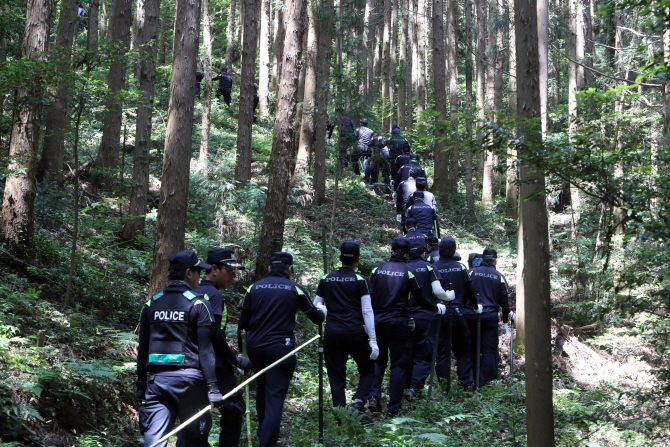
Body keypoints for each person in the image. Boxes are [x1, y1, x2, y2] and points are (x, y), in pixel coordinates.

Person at [238, 252, 326, 447]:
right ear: (290, 268)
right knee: (275, 397)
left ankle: (263, 435)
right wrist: (323, 310)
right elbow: (317, 319)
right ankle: (267, 443)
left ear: (269, 268)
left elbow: (243, 324)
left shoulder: (254, 288)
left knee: (263, 388)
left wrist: (240, 353)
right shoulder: (296, 289)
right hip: (280, 349)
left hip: (255, 348)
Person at [136, 251, 221, 447]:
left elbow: (143, 349)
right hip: (190, 384)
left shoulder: (151, 304)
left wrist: (141, 384)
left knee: (155, 441)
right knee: (195, 441)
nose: (200, 276)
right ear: (188, 273)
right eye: (198, 271)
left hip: (158, 383)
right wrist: (213, 389)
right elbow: (206, 351)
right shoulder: (199, 304)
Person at [175, 249, 249, 447]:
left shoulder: (188, 292)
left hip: (190, 363)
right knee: (234, 408)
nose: (233, 277)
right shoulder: (213, 294)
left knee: (192, 415)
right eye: (229, 271)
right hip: (216, 363)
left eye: (235, 272)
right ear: (214, 269)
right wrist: (235, 359)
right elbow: (214, 332)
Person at [368, 237, 444, 416]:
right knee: (399, 365)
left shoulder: (376, 270)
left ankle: (374, 397)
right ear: (407, 253)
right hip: (399, 323)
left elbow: (368, 296)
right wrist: (437, 308)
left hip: (377, 322)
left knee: (378, 361)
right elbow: (421, 299)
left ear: (391, 250)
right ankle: (393, 408)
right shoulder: (408, 272)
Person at [313, 242, 378, 423]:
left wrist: (324, 312)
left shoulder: (326, 278)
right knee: (368, 368)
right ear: (357, 260)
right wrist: (373, 340)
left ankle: (341, 417)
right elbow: (367, 311)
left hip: (332, 333)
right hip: (355, 332)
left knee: (336, 375)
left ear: (340, 258)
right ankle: (358, 403)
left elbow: (316, 306)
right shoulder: (361, 280)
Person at [405, 239, 452, 397]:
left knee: (407, 351)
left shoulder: (402, 268)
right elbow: (438, 291)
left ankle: (405, 385)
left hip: (404, 316)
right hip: (426, 317)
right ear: (424, 253)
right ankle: (415, 386)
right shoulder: (429, 268)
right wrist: (448, 297)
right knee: (424, 353)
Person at [432, 238, 479, 389]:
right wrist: (476, 306)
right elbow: (470, 289)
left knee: (442, 352)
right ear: (454, 251)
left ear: (440, 249)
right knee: (463, 351)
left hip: (439, 314)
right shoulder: (460, 268)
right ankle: (465, 384)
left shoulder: (432, 267)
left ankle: (444, 387)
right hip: (458, 314)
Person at [465, 248, 511, 388]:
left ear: (482, 259)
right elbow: (504, 303)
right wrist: (505, 322)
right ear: (496, 260)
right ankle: (484, 382)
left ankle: (471, 379)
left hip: (471, 315)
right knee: (488, 350)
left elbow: (463, 292)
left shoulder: (471, 273)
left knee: (471, 347)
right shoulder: (499, 277)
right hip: (490, 317)